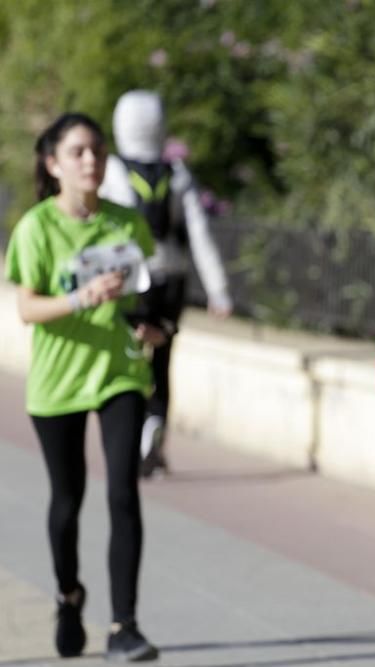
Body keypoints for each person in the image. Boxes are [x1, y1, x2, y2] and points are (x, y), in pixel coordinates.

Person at [4, 113, 161, 662]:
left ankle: (125, 627)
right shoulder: (37, 228)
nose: (90, 161)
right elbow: (25, 308)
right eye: (77, 152)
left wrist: (154, 325)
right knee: (67, 502)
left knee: (123, 493)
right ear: (53, 164)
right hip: (59, 380)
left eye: (97, 150)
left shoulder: (126, 223)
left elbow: (147, 292)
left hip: (120, 372)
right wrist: (80, 298)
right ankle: (69, 598)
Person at [99, 89, 232, 478]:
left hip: (131, 280)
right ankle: (155, 428)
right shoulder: (177, 174)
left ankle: (134, 431)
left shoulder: (111, 171)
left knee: (128, 355)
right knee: (163, 359)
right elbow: (200, 234)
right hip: (172, 281)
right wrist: (218, 291)